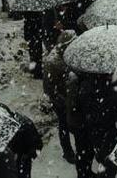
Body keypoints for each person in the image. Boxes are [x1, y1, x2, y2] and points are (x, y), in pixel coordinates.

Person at [42, 31, 76, 163]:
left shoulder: (62, 55)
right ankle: (68, 152)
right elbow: (50, 86)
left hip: (63, 95)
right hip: (60, 98)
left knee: (66, 123)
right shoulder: (54, 62)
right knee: (64, 124)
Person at [0, 106, 43, 178]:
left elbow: (38, 145)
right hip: (0, 164)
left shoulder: (24, 125)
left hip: (20, 162)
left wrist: (24, 157)